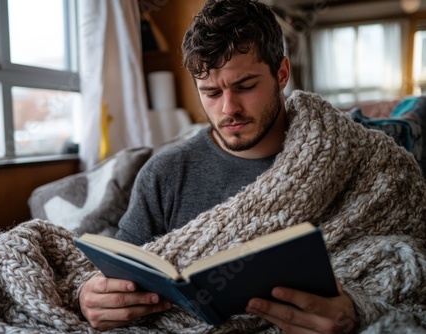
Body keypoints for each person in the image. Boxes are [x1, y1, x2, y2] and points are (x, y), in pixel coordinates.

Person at [79, 0, 425, 332]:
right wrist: (91, 297)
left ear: (282, 74)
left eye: (245, 86)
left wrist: (357, 314)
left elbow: (412, 276)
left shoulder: (362, 161)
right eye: (211, 93)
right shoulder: (163, 174)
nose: (229, 109)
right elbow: (113, 274)